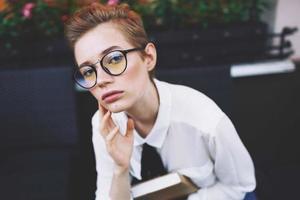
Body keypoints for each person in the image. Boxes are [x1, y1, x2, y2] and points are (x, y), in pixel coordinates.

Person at [65, 2, 256, 200]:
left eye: (114, 59)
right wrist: (120, 169)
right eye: (88, 71)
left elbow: (241, 186)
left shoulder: (205, 120)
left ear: (148, 57)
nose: (102, 80)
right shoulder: (104, 124)